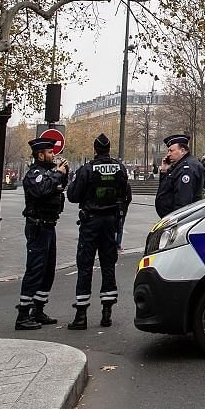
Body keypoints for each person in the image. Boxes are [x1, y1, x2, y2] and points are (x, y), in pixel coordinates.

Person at [66, 133, 132, 330]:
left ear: (95, 149)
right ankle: (107, 312)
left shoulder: (87, 169)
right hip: (110, 223)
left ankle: (81, 315)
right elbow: (125, 195)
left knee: (85, 265)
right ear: (109, 149)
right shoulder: (119, 168)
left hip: (91, 222)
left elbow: (73, 195)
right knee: (108, 265)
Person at [15, 138, 69, 330]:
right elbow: (41, 190)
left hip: (49, 225)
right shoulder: (34, 174)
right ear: (40, 155)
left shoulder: (49, 173)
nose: (53, 155)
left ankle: (38, 309)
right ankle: (23, 314)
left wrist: (63, 172)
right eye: (50, 152)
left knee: (48, 270)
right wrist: (56, 174)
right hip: (37, 226)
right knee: (35, 269)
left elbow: (62, 187)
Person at [155, 133, 203, 216]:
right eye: (168, 151)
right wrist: (164, 171)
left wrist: (175, 222)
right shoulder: (179, 166)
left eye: (171, 150)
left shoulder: (186, 168)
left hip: (177, 219)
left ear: (182, 151)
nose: (168, 154)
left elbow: (183, 201)